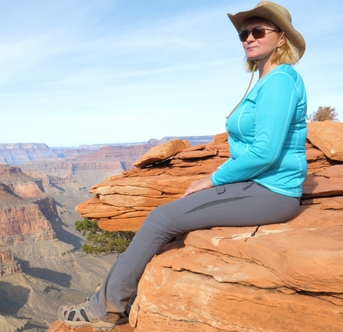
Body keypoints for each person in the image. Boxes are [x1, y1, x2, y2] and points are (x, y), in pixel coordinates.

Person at [57, 1, 307, 329]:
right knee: (175, 214)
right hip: (256, 185)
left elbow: (265, 153)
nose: (248, 38)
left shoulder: (280, 81)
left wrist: (211, 181)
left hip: (273, 190)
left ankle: (103, 310)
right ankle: (120, 292)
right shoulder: (264, 80)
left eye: (258, 31)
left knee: (161, 219)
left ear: (282, 38)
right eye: (244, 33)